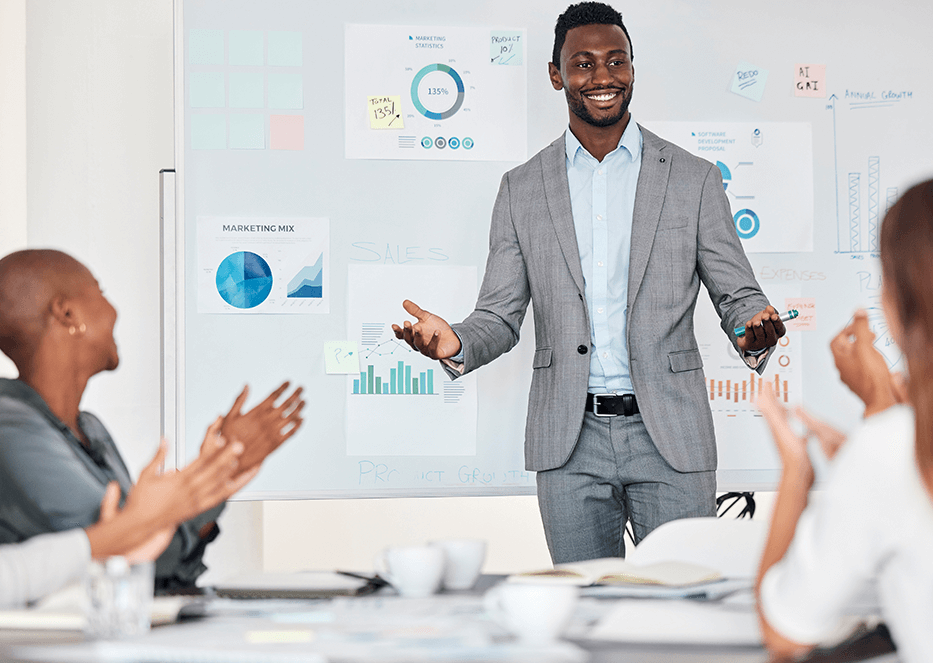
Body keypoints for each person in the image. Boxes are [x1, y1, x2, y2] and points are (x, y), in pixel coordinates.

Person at [393, 1, 784, 563]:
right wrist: (454, 341)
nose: (603, 77)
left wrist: (753, 331)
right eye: (583, 64)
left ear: (631, 68)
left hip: (670, 435)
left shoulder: (694, 180)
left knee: (681, 610)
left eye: (616, 61)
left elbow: (739, 297)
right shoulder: (521, 189)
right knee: (584, 614)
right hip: (568, 441)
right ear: (557, 75)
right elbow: (499, 317)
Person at [0, 235, 262, 623]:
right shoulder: (7, 433)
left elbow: (149, 561)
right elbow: (133, 553)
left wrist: (204, 487)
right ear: (67, 315)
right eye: (100, 292)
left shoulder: (91, 429)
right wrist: (193, 494)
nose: (114, 310)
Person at [756, 180, 933, 663]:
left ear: (900, 303)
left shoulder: (890, 448)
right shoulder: (891, 443)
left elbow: (785, 633)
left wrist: (797, 474)